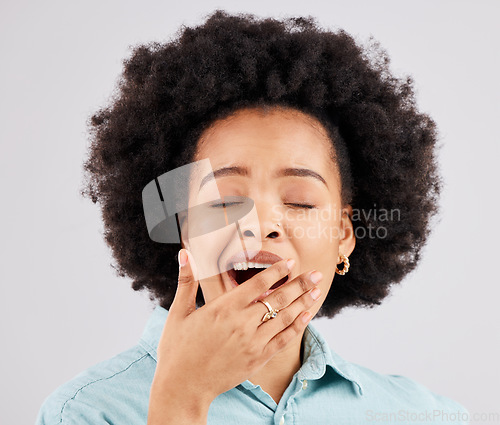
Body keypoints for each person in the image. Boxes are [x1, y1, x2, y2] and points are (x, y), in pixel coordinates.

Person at [36, 9, 470, 425]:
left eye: (300, 201)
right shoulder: (86, 413)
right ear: (185, 229)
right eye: (225, 201)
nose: (260, 224)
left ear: (343, 235)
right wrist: (182, 397)